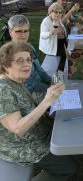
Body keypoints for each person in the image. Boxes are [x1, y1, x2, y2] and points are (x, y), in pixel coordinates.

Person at [0, 41, 76, 180]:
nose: (27, 64)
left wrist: (49, 112)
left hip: (38, 132)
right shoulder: (3, 91)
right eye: (20, 61)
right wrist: (47, 101)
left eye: (29, 60)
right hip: (22, 146)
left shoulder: (16, 81)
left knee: (70, 131)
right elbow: (18, 128)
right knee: (67, 168)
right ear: (5, 67)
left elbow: (27, 109)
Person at [8, 14, 51, 102]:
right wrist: (48, 88)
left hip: (39, 86)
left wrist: (50, 82)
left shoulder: (30, 47)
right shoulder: (11, 55)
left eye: (26, 31)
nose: (24, 35)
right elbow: (29, 84)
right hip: (28, 95)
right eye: (19, 31)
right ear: (10, 32)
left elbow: (39, 69)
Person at [39, 2, 67, 71]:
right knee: (60, 64)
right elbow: (42, 35)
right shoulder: (46, 21)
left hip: (61, 44)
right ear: (50, 12)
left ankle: (61, 73)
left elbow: (63, 31)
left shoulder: (58, 20)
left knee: (65, 61)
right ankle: (58, 75)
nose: (58, 14)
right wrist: (50, 33)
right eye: (56, 12)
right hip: (53, 47)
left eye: (60, 12)